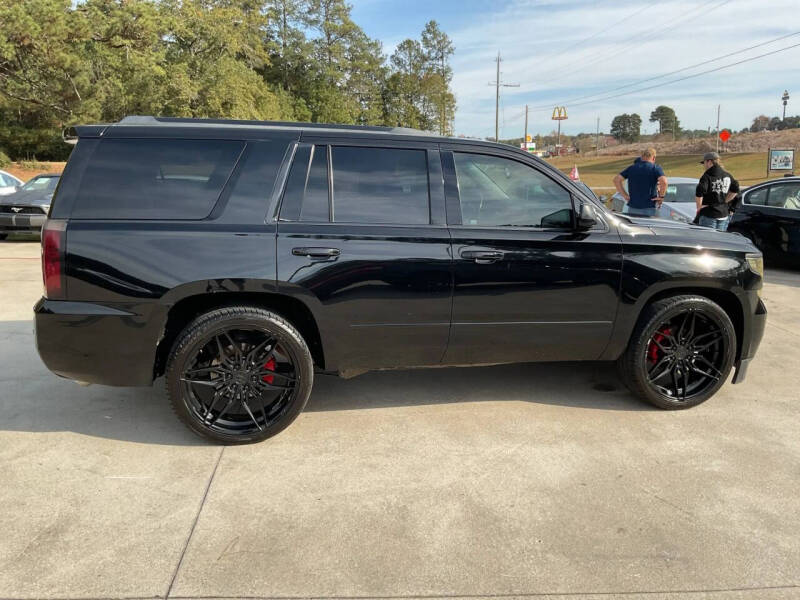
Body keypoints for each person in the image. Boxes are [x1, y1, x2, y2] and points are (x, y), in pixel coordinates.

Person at [613, 148, 668, 217]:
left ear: (641, 157)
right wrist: (661, 196)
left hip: (633, 207)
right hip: (649, 206)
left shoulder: (631, 168)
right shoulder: (655, 168)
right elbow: (664, 181)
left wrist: (625, 195)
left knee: (634, 224)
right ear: (653, 158)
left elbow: (616, 180)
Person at [695, 152, 739, 231]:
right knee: (719, 238)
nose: (704, 166)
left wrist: (699, 207)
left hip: (709, 214)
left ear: (709, 162)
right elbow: (736, 189)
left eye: (704, 163)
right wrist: (724, 201)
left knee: (708, 238)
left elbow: (700, 191)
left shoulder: (707, 176)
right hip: (723, 214)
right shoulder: (727, 175)